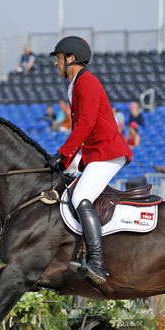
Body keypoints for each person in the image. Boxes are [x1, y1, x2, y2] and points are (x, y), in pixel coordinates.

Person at [45, 36, 132, 285]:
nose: (56, 64)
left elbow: (86, 124)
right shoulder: (76, 84)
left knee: (80, 197)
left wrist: (63, 155)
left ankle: (97, 263)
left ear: (71, 59)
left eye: (59, 58)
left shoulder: (87, 82)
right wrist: (66, 159)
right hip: (95, 153)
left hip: (108, 152)